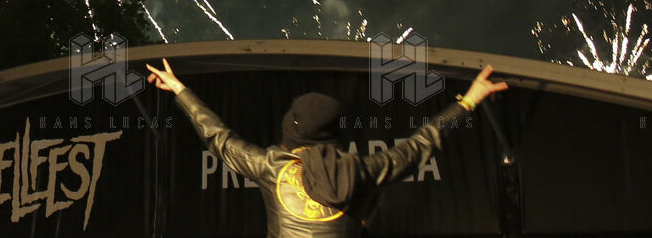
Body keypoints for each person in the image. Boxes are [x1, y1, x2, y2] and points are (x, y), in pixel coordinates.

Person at [145, 59, 508, 237]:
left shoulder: (271, 165)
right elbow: (422, 144)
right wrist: (469, 100)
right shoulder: (362, 170)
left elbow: (218, 137)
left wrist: (180, 90)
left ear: (293, 129)